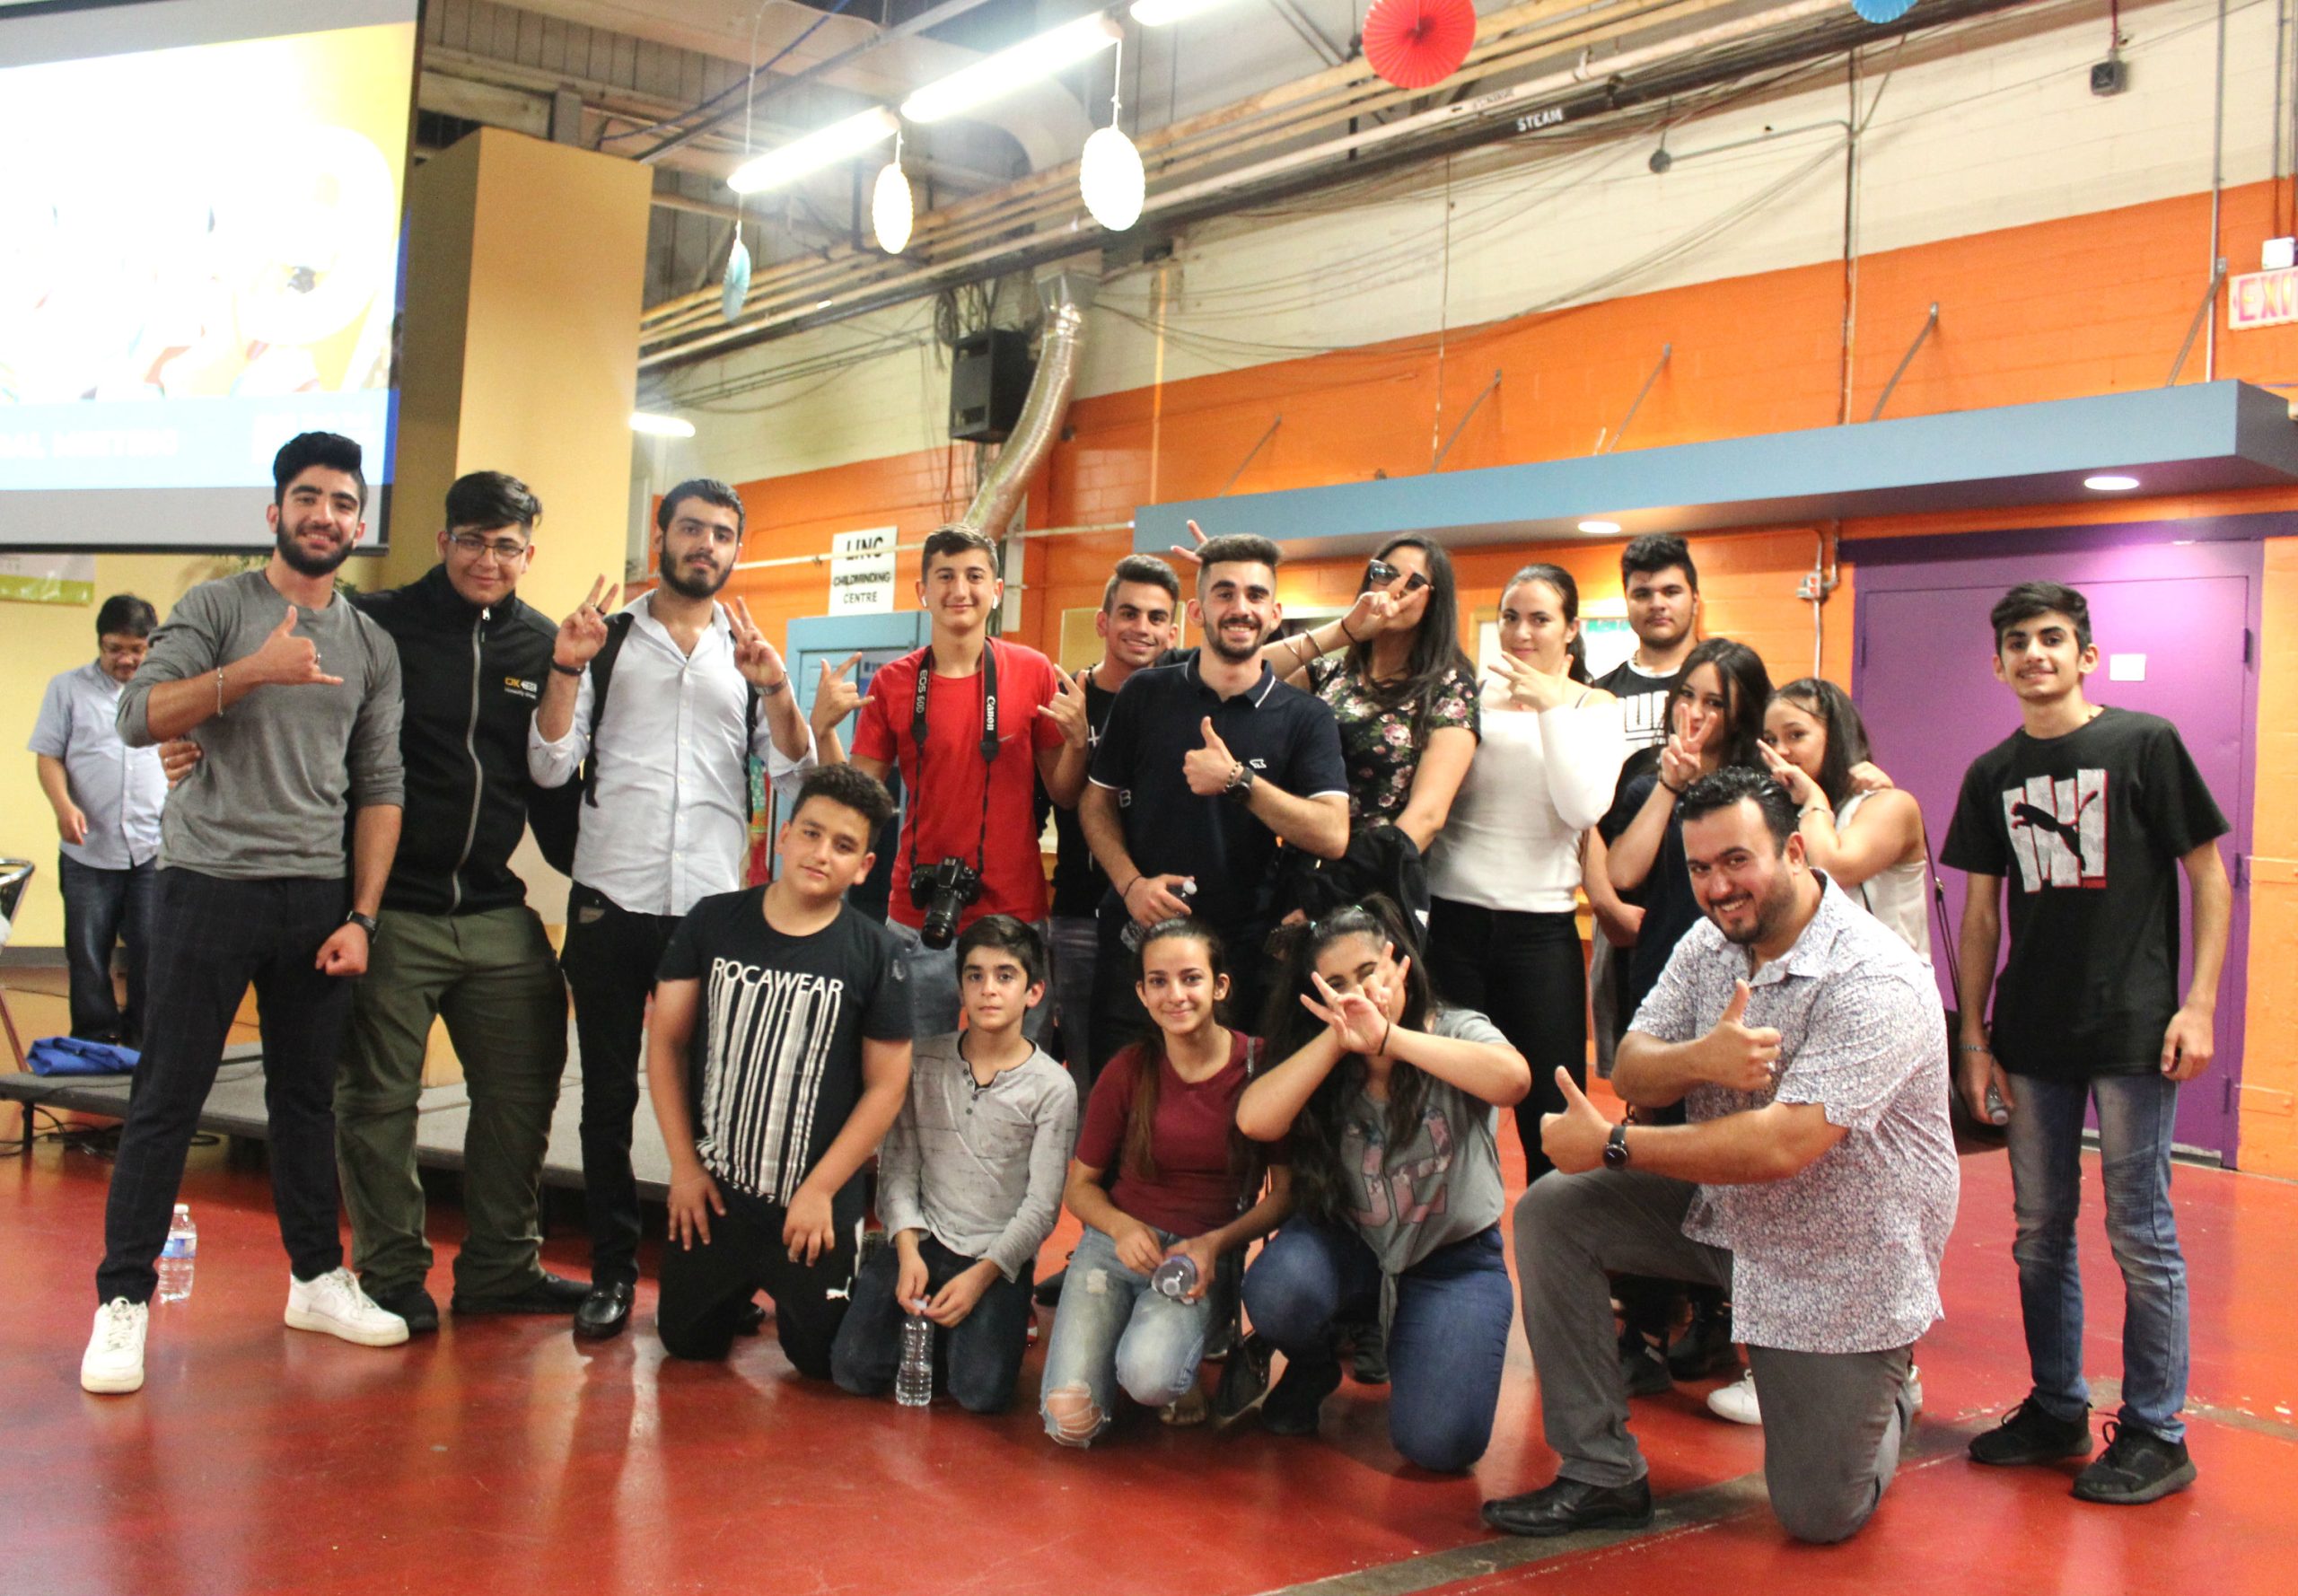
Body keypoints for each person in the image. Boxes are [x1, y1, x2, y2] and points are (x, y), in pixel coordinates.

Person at [1482, 767, 1956, 1545]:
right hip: (1723, 1216)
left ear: (1797, 850)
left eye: (1737, 860)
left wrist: (1611, 1144)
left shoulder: (1876, 977)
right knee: (1552, 1212)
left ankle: (1889, 1385)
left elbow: (1781, 1147)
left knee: (1817, 1516)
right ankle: (1600, 1474)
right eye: (1699, 868)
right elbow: (1630, 1064)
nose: (1717, 887)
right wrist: (1702, 1059)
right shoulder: (1711, 942)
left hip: (1841, 1260)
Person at [81, 433, 410, 1397]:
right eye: (307, 498)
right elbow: (137, 716)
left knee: (305, 1103)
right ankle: (121, 1299)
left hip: (314, 896)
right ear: (275, 512)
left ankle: (314, 1276)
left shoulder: (371, 644)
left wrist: (364, 914)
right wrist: (251, 671)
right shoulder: (217, 606)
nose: (325, 516)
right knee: (168, 1098)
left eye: (342, 503)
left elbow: (380, 783)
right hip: (204, 885)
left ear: (359, 522)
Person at [1943, 582, 2229, 1506]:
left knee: (2139, 1232)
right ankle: (2057, 1403)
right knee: (2038, 1232)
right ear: (1998, 662)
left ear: (2085, 653)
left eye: (2052, 637)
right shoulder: (1991, 774)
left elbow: (2209, 878)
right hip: (2032, 1032)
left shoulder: (2145, 742)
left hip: (2135, 1029)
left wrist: (2198, 1003)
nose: (2035, 652)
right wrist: (1975, 1036)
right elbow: (1981, 913)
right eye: (2018, 640)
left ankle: (2156, 1430)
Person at [528, 478, 819, 1340]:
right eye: (691, 529)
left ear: (736, 548)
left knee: (720, 1101)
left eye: (722, 535)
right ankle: (613, 1274)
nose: (706, 546)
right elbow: (549, 766)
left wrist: (775, 690)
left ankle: (716, 1278)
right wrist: (564, 666)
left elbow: (794, 773)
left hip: (711, 909)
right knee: (607, 1095)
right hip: (609, 898)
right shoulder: (607, 644)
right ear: (661, 534)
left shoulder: (748, 652)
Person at [1700, 674, 1931, 1426]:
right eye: (1771, 737)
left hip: (1882, 1016)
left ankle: (1893, 1371)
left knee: (1872, 1193)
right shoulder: (1780, 816)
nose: (1781, 751)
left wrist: (1809, 799)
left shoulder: (1883, 804)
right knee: (1787, 1191)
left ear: (1838, 734)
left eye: (1798, 733)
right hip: (1803, 1002)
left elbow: (1834, 867)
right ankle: (1779, 1358)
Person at [1234, 899, 1530, 1469]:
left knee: (1438, 1447)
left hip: (1453, 1261)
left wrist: (1389, 1038)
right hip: (1354, 1251)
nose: (1357, 995)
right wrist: (1339, 1041)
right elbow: (1256, 1120)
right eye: (1336, 984)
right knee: (1277, 1289)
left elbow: (1513, 1079)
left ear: (1401, 964)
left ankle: (1420, 1340)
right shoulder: (1324, 1051)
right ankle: (1314, 1362)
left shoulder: (1455, 1027)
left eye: (1369, 974)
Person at [648, 764, 914, 1374]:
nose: (823, 854)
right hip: (717, 1193)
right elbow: (665, 1045)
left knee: (823, 1361)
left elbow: (886, 1086)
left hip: (811, 1205)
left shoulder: (877, 954)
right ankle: (733, 1283)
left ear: (864, 868)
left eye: (845, 846)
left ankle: (861, 1256)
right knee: (686, 1342)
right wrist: (684, 1168)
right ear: (785, 835)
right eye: (813, 834)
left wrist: (822, 1190)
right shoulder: (712, 921)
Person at [1078, 533, 1349, 1069]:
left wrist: (1237, 781)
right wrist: (1130, 885)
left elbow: (1332, 833)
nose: (1240, 608)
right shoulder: (1144, 694)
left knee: (1235, 1112)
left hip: (1243, 948)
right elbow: (1095, 803)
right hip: (1140, 935)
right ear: (1199, 610)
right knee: (1122, 1100)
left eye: (1254, 595)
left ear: (1275, 613)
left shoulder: (1305, 716)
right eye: (1224, 594)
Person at [813, 526, 1088, 1037]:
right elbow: (855, 799)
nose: (959, 590)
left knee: (1015, 1073)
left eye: (974, 576)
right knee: (908, 1069)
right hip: (917, 909)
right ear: (922, 591)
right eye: (944, 576)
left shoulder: (1031, 670)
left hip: (1013, 906)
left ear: (997, 590)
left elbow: (1065, 792)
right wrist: (824, 729)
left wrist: (1077, 742)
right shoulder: (894, 682)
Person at [1039, 917, 1292, 1443]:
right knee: (1068, 1424)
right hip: (1116, 1247)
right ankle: (1127, 1338)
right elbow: (1081, 1188)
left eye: (1191, 978)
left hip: (1199, 1259)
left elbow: (1285, 1196)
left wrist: (1214, 1244)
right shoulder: (1129, 1069)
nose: (1175, 995)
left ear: (1220, 986)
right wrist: (1120, 1227)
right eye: (1158, 981)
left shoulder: (1258, 1066)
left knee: (1150, 1377)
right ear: (1142, 993)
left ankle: (1182, 1354)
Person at [1598, 637, 1773, 1395]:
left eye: (1715, 702)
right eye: (1687, 697)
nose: (1697, 714)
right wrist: (1668, 787)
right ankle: (1645, 1315)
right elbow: (1621, 875)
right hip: (1663, 990)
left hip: (1745, 991)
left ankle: (1724, 1316)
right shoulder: (1646, 782)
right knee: (1657, 1144)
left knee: (1729, 1155)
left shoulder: (1762, 793)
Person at [1426, 565, 1623, 1184]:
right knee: (1447, 1118)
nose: (1521, 631)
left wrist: (1549, 708)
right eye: (1510, 616)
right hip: (1451, 925)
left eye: (1540, 618)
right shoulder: (1466, 697)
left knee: (1551, 1116)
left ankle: (1553, 1261)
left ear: (1571, 630)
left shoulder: (1595, 707)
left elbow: (1582, 809)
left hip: (1540, 935)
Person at [831, 916, 1076, 1412]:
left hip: (993, 1257)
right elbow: (899, 1168)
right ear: (959, 987)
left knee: (979, 1394)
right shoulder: (923, 1060)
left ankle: (961, 1328)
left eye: (1006, 976)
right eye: (975, 975)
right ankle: (915, 1310)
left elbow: (1041, 1208)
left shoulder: (1053, 1088)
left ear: (1033, 993)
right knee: (852, 1371)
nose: (989, 990)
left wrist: (982, 1275)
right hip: (922, 1240)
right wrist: (906, 1253)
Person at [1278, 538, 1478, 914]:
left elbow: (1427, 818)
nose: (1393, 588)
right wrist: (1344, 630)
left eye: (1413, 582)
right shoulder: (1327, 674)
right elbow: (1247, 682)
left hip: (1373, 889)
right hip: (1296, 868)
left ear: (1433, 602)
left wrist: (1334, 895)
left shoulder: (1449, 687)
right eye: (1382, 573)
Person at [30, 593, 166, 1048]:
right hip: (88, 849)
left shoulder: (166, 691)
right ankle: (95, 1037)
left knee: (151, 950)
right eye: (114, 649)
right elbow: (48, 755)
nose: (125, 659)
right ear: (99, 643)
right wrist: (63, 806)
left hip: (153, 847)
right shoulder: (66, 689)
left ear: (151, 645)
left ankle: (143, 1037)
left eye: (136, 649)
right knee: (88, 953)